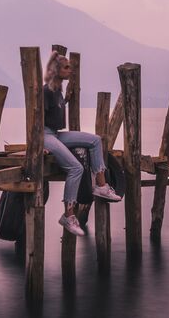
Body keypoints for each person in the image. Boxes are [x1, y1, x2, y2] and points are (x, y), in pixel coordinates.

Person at [43, 50, 121, 237]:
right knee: (76, 168)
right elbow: (35, 118)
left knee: (95, 140)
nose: (71, 70)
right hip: (43, 135)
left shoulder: (58, 89)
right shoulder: (46, 91)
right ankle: (68, 216)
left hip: (55, 134)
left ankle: (101, 186)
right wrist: (40, 144)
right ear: (57, 70)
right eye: (67, 67)